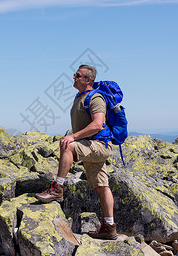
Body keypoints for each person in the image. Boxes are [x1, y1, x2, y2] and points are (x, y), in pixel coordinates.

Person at [35, 64, 117, 240]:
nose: (74, 77)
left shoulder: (95, 98)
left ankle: (57, 188)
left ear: (88, 80)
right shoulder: (80, 97)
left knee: (67, 146)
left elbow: (97, 124)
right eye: (75, 75)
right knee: (102, 187)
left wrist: (73, 137)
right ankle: (109, 227)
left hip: (98, 145)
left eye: (78, 75)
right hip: (91, 145)